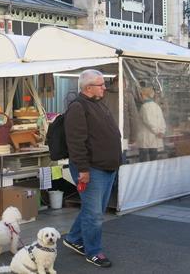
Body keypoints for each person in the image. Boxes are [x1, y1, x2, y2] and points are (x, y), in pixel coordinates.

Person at [62, 69, 122, 268]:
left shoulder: (97, 104)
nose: (105, 87)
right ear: (88, 88)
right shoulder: (78, 107)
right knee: (94, 214)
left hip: (106, 167)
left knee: (94, 210)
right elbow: (76, 143)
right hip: (92, 169)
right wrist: (83, 171)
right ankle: (93, 252)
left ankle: (73, 238)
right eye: (101, 84)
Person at [135, 87, 166, 162]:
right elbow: (162, 120)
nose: (140, 97)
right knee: (154, 161)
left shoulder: (144, 107)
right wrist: (162, 131)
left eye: (141, 95)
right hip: (154, 138)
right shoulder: (157, 106)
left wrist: (157, 132)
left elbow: (148, 121)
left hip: (146, 140)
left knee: (144, 163)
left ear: (144, 95)